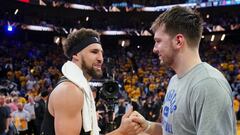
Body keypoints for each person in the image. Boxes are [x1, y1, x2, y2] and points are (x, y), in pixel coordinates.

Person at [130, 6, 236, 135]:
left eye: (158, 41)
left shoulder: (209, 85)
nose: (154, 49)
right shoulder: (175, 80)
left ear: (178, 41)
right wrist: (147, 126)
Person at [41, 28, 144, 135]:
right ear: (75, 55)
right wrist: (122, 132)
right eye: (94, 52)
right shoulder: (69, 91)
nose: (101, 58)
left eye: (101, 53)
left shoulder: (78, 88)